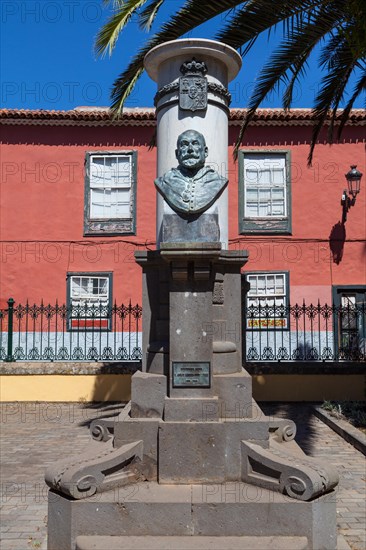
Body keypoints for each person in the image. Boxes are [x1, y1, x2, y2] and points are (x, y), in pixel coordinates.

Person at [155, 130, 228, 215]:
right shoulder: (165, 181)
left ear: (205, 152)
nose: (190, 149)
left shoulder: (217, 181)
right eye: (184, 145)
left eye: (195, 144)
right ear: (177, 154)